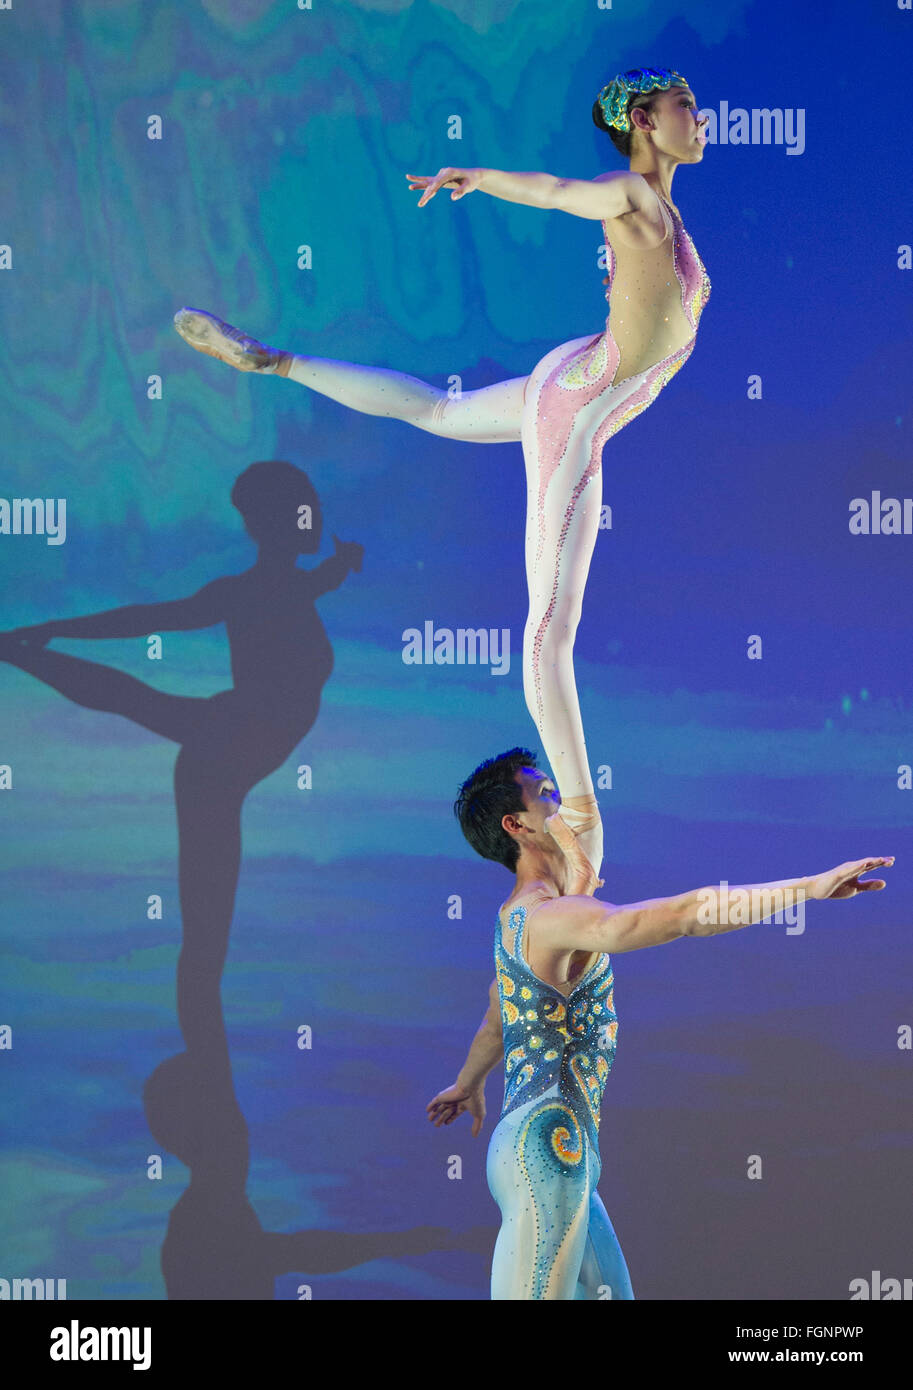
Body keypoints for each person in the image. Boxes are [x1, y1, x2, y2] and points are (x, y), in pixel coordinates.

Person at [172, 66, 711, 889]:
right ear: (641, 120)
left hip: (579, 382)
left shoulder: (660, 209)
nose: (700, 119)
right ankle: (581, 817)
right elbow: (557, 190)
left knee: (432, 412)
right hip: (575, 405)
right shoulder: (630, 197)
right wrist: (482, 177)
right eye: (683, 108)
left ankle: (274, 360)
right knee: (546, 631)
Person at [426, 747, 894, 1300]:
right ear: (517, 825)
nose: (562, 799)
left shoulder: (517, 918)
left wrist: (469, 1083)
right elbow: (680, 917)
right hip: (545, 1153)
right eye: (546, 793)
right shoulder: (550, 917)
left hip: (556, 1152)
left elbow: (496, 1020)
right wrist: (806, 889)